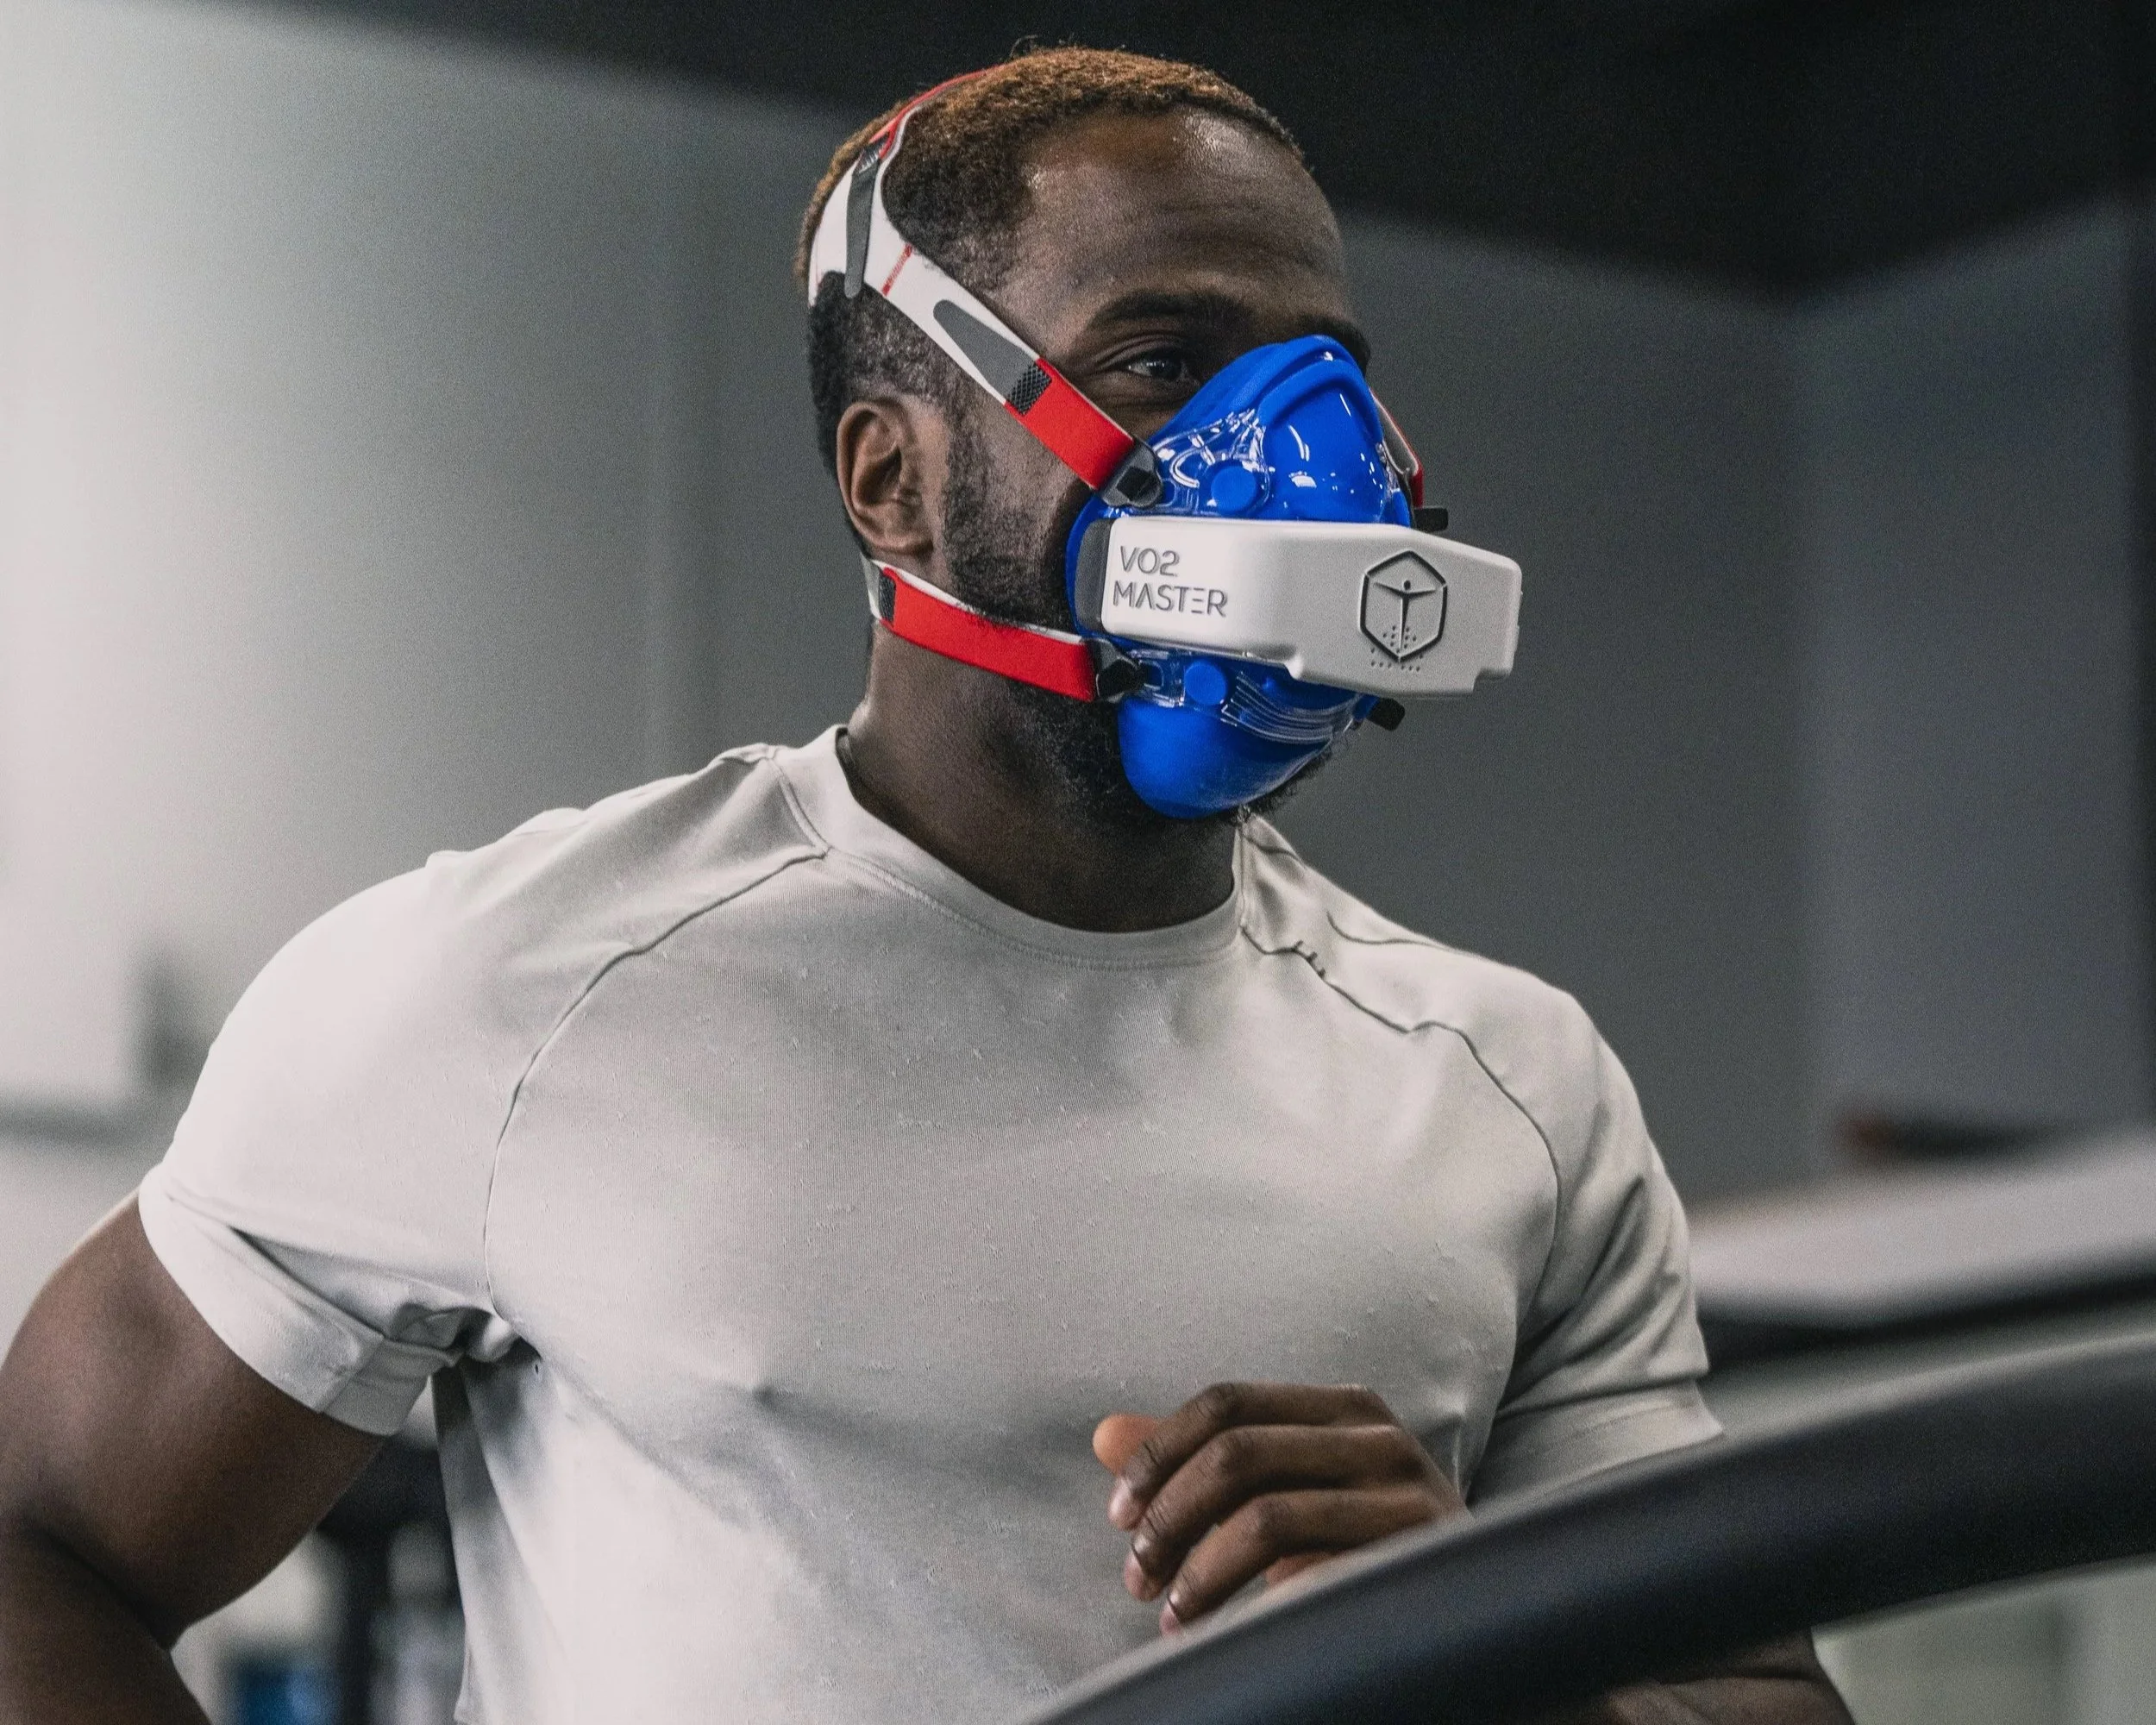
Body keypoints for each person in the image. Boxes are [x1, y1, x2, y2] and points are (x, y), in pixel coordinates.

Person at [0, 47, 1850, 1725]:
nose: (1312, 468)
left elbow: (1754, 1698)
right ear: (890, 480)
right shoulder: (515, 989)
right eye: (1158, 364)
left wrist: (1492, 1647)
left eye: (1326, 377)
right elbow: (45, 1548)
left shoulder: (1507, 1082)